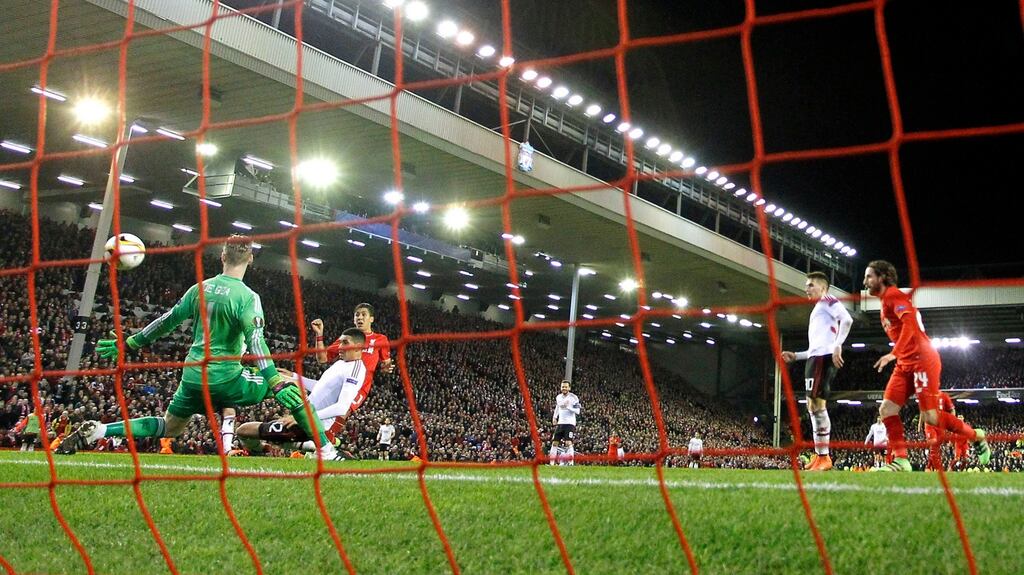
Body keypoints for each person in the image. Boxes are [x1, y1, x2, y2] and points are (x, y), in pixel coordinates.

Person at [59, 235, 336, 459]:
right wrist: (274, 380)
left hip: (193, 376)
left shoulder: (199, 289)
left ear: (223, 256)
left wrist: (131, 342)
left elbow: (166, 321)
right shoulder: (248, 297)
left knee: (170, 426)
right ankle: (326, 450)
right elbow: (256, 341)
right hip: (227, 378)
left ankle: (100, 430)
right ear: (250, 259)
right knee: (291, 384)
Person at [862, 260, 990, 472]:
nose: (864, 281)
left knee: (931, 416)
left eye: (869, 276)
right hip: (905, 363)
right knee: (886, 409)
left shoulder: (894, 295)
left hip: (922, 359)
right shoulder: (886, 303)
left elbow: (910, 324)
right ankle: (901, 460)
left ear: (882, 277)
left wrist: (893, 353)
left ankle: (976, 435)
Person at [236, 328, 369, 457]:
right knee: (251, 431)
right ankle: (312, 445)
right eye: (340, 342)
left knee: (243, 431)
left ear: (357, 347)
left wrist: (303, 417)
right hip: (306, 423)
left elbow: (341, 408)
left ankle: (315, 445)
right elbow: (320, 386)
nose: (339, 346)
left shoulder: (356, 369)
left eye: (345, 343)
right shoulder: (341, 364)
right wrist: (294, 376)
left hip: (313, 426)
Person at [781, 271, 853, 472]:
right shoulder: (818, 310)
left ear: (823, 287)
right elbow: (816, 345)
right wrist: (797, 355)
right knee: (812, 406)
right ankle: (819, 454)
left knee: (817, 404)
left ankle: (824, 457)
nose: (807, 288)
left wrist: (838, 344)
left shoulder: (828, 300)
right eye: (806, 285)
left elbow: (847, 320)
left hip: (823, 358)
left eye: (811, 285)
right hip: (814, 358)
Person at [311, 303, 394, 437]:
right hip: (341, 381)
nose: (360, 317)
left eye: (363, 314)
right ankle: (321, 441)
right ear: (353, 319)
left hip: (362, 384)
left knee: (344, 411)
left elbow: (386, 362)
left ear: (371, 319)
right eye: (357, 315)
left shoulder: (381, 339)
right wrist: (319, 336)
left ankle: (326, 441)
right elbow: (322, 358)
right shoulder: (346, 339)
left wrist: (386, 368)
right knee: (328, 410)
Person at [549, 380, 580, 466]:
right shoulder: (558, 397)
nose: (564, 388)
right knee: (555, 442)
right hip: (560, 423)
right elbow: (557, 407)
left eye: (566, 387)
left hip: (570, 423)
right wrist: (555, 417)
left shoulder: (574, 397)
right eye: (563, 387)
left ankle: (571, 463)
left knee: (568, 442)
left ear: (569, 388)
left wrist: (569, 407)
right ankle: (551, 463)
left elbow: (578, 411)